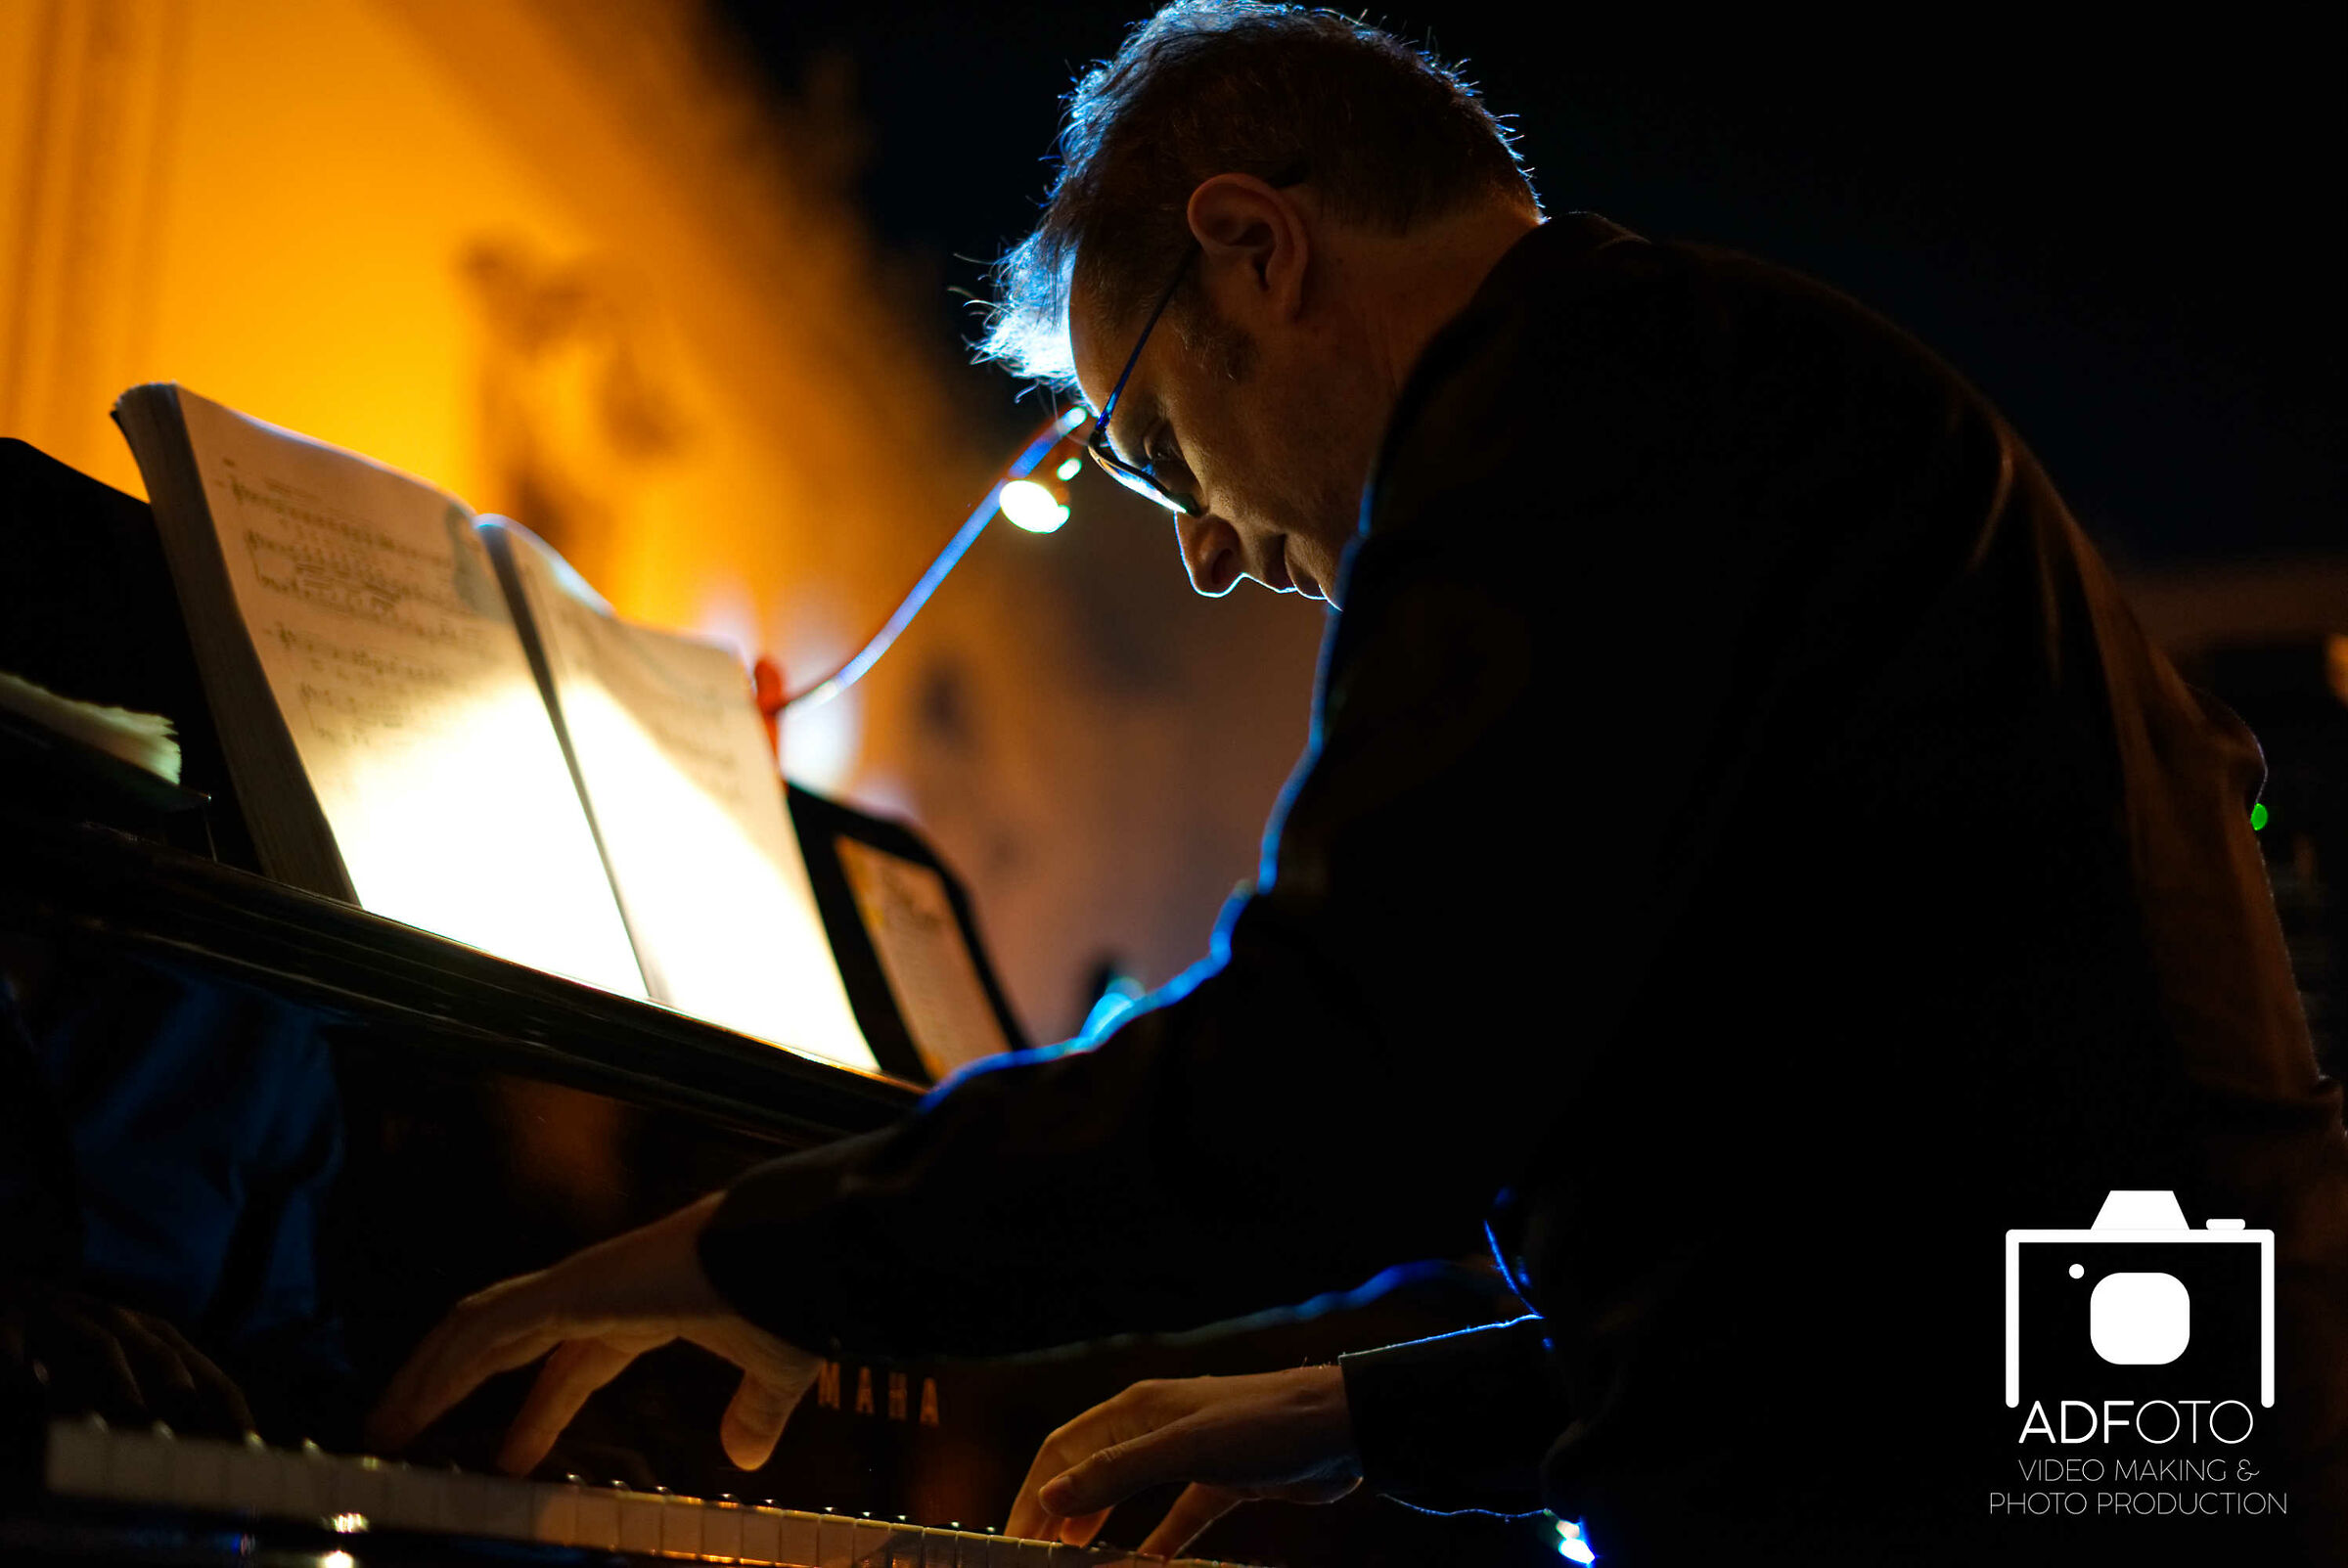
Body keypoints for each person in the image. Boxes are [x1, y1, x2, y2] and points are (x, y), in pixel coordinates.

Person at [367, 5, 2348, 1563]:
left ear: (1252, 248)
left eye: (1151, 448)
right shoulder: (1711, 391)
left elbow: (1346, 1081)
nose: (1211, 551)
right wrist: (1347, 1406)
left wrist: (749, 1250)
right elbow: (1836, 1243)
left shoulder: (1572, 424)